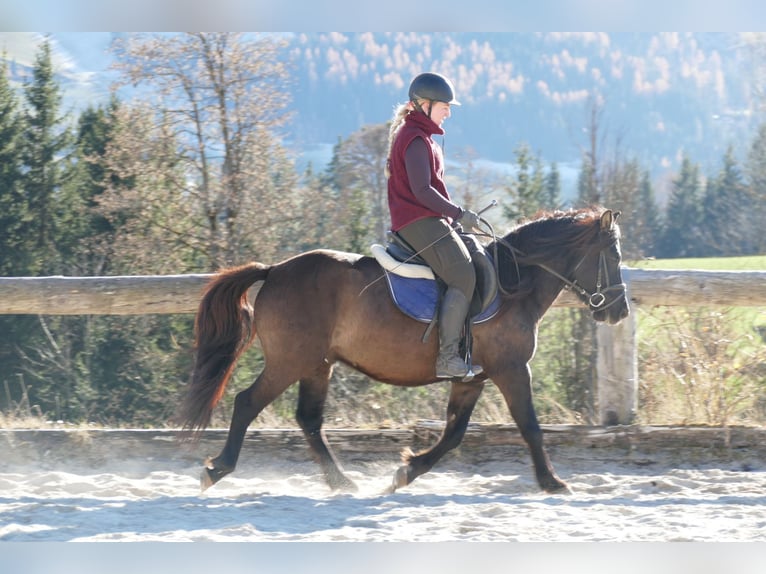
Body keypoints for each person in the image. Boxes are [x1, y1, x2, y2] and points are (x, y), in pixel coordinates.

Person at [385, 71, 483, 380]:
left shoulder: (421, 137)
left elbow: (432, 190)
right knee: (464, 275)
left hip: (426, 218)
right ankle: (447, 358)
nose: (449, 111)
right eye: (444, 105)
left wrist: (455, 218)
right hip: (417, 221)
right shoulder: (414, 139)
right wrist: (458, 213)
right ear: (423, 104)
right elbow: (422, 192)